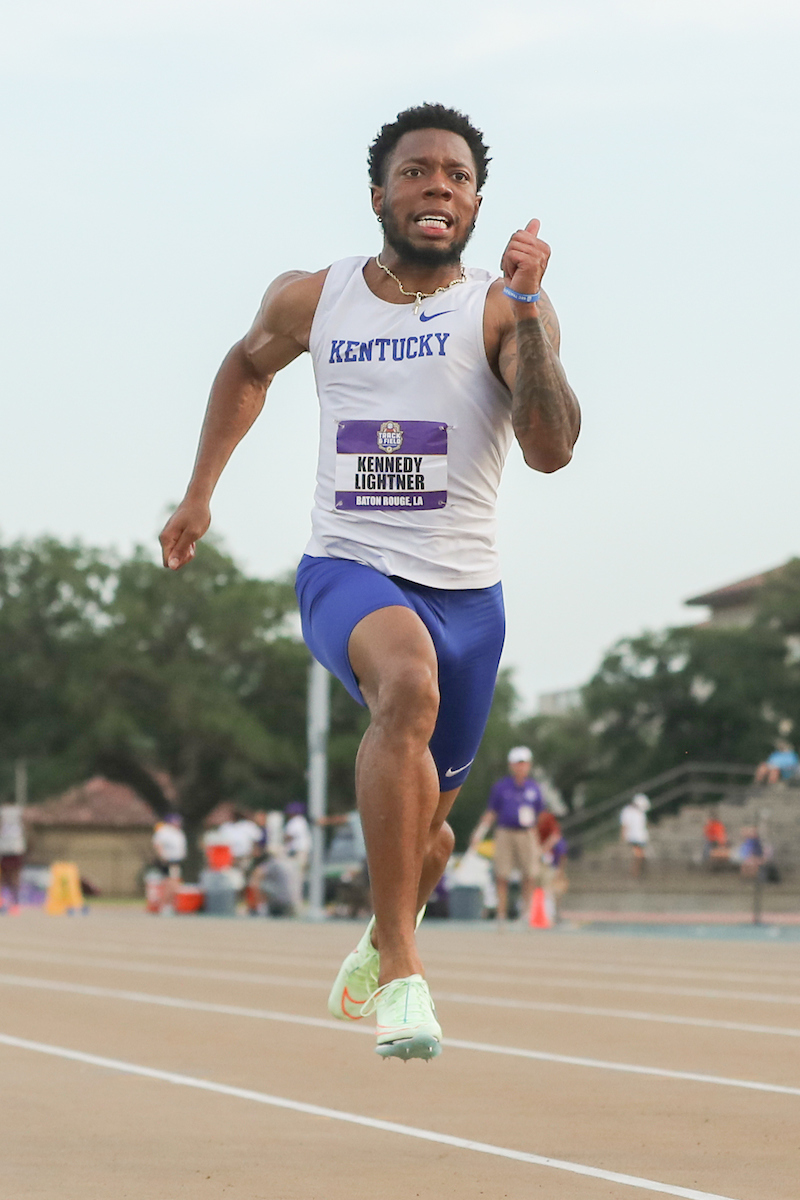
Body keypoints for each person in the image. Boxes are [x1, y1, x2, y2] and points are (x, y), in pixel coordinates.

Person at [160, 102, 580, 1061]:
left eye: (458, 176)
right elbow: (245, 367)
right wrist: (200, 493)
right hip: (349, 567)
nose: (438, 186)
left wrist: (526, 312)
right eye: (418, 171)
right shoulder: (316, 298)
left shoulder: (500, 308)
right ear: (380, 193)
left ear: (477, 203)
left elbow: (551, 449)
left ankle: (382, 933)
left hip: (470, 598)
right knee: (406, 685)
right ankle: (402, 973)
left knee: (429, 839)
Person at [469, 747, 545, 924]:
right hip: (505, 832)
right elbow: (491, 812)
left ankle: (526, 913)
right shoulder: (501, 787)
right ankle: (501, 914)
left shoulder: (534, 788)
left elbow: (540, 814)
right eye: (518, 763)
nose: (521, 767)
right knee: (502, 874)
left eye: (524, 763)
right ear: (512, 765)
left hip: (526, 833)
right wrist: (479, 832)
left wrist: (537, 837)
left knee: (529, 874)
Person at [0, 802, 26, 915]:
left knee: (14, 880)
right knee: (3, 879)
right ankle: (4, 902)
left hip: (14, 855)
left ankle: (15, 903)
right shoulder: (3, 823)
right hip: (5, 854)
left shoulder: (20, 825)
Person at [619, 793, 650, 878]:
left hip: (641, 837)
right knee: (638, 855)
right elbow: (624, 825)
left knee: (641, 856)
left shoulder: (641, 812)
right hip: (632, 837)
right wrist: (623, 836)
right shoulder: (627, 811)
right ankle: (635, 873)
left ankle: (638, 873)